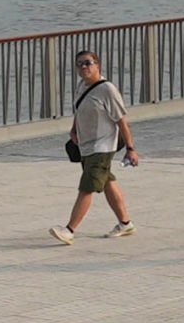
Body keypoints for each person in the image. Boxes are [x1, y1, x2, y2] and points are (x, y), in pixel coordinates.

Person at [55, 49, 137, 244]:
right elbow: (79, 109)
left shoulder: (107, 89)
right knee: (108, 182)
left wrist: (131, 149)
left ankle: (69, 230)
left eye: (88, 62)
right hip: (86, 145)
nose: (84, 67)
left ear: (97, 65)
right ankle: (125, 223)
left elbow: (121, 120)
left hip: (102, 146)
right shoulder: (82, 86)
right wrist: (74, 129)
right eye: (80, 64)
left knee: (87, 187)